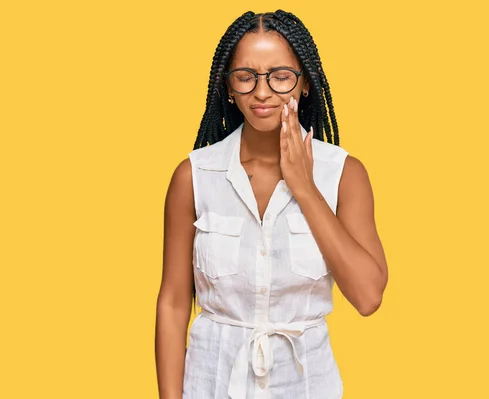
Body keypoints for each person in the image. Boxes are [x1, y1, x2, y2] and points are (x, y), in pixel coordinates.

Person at [155, 10, 388, 399]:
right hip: (210, 386)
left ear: (306, 84)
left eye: (280, 77)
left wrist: (304, 188)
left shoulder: (343, 174)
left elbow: (368, 296)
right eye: (246, 78)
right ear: (228, 88)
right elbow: (175, 303)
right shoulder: (194, 176)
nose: (262, 93)